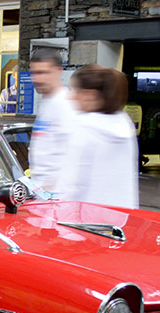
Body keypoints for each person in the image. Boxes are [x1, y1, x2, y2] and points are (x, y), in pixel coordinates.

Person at [55, 65, 139, 209]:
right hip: (122, 216)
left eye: (74, 91)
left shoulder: (84, 127)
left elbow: (71, 184)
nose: (71, 97)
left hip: (86, 221)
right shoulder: (124, 123)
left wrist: (59, 217)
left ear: (90, 95)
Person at [27, 47, 76, 193]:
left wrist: (53, 187)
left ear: (58, 71)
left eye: (43, 72)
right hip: (42, 194)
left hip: (58, 197)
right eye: (34, 73)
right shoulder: (47, 102)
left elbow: (76, 154)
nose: (37, 79)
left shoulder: (66, 104)